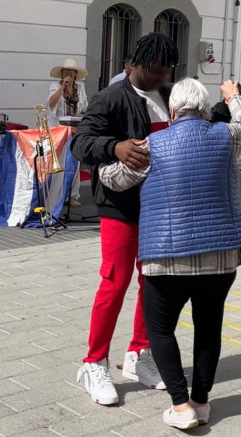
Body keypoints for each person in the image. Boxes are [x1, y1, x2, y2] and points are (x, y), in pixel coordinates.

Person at [98, 78, 241, 429]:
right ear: (203, 109)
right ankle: (200, 402)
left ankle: (180, 406)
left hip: (166, 257)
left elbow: (112, 179)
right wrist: (233, 97)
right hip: (221, 255)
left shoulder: (152, 145)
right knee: (209, 327)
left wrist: (112, 151)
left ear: (171, 111)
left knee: (161, 330)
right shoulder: (227, 137)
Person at [70, 32, 181, 406]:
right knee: (114, 283)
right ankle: (94, 363)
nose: (162, 77)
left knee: (153, 283)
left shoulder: (169, 96)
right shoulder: (110, 98)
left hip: (160, 206)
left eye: (167, 71)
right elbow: (79, 143)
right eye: (155, 70)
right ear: (133, 65)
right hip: (121, 205)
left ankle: (139, 354)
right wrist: (114, 147)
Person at [45, 59, 88, 207]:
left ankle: (71, 195)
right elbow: (50, 104)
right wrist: (62, 88)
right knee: (58, 161)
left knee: (73, 162)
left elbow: (84, 109)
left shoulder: (80, 89)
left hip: (74, 129)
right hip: (58, 129)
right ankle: (55, 194)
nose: (68, 75)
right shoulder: (54, 86)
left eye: (70, 73)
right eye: (65, 72)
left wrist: (82, 117)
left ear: (75, 75)